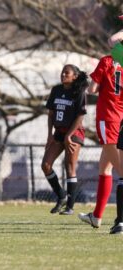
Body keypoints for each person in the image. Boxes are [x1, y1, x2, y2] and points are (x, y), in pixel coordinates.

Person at [78, 52, 123, 229]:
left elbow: (92, 89)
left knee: (120, 170)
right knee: (105, 168)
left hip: (108, 116)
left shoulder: (107, 60)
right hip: (121, 117)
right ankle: (96, 216)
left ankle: (119, 220)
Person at [41, 64, 88, 215]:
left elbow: (80, 116)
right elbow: (51, 114)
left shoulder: (79, 91)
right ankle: (61, 195)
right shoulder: (56, 90)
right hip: (59, 132)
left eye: (66, 73)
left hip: (74, 133)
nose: (63, 75)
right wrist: (49, 135)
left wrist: (69, 136)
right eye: (62, 72)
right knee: (46, 165)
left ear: (74, 76)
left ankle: (70, 207)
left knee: (70, 168)